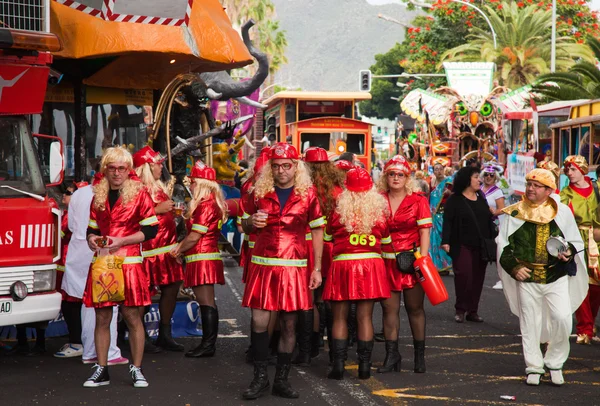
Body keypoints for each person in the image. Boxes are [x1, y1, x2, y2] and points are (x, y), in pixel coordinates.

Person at [240, 143, 324, 400]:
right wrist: (250, 222)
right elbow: (243, 225)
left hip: (294, 267)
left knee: (289, 324)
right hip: (264, 265)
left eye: (286, 166)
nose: (281, 171)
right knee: (259, 322)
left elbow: (318, 230)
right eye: (276, 166)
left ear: (295, 166)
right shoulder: (259, 192)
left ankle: (282, 380)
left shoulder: (308, 194)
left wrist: (317, 268)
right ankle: (260, 378)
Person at [497, 168, 588, 386]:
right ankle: (534, 367)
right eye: (529, 184)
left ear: (548, 190)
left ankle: (555, 362)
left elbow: (575, 241)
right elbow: (502, 245)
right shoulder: (516, 212)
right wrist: (514, 268)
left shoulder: (562, 212)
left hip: (555, 276)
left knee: (563, 319)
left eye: (536, 186)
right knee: (530, 323)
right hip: (527, 278)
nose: (530, 188)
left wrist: (568, 252)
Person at [83, 146, 158, 388]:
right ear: (105, 170)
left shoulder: (140, 194)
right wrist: (91, 239)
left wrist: (123, 240)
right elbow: (92, 229)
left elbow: (150, 230)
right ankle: (102, 369)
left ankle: (137, 369)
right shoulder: (99, 195)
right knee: (102, 317)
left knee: (132, 316)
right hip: (104, 263)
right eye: (112, 168)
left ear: (129, 171)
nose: (116, 173)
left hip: (130, 263)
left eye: (121, 168)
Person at [323, 167, 391, 380]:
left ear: (347, 188)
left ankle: (339, 364)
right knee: (364, 317)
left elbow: (327, 238)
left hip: (343, 265)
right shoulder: (379, 212)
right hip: (371, 265)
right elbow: (387, 242)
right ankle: (364, 366)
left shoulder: (339, 210)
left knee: (339, 317)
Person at [62, 181, 126, 367]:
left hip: (80, 250)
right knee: (107, 304)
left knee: (88, 302)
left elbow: (72, 225)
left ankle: (90, 350)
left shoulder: (80, 193)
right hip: (101, 251)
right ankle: (109, 352)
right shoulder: (110, 194)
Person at [379, 155, 432, 374]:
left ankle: (420, 357)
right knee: (388, 310)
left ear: (407, 177)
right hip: (385, 262)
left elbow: (424, 232)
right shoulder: (377, 199)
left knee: (415, 308)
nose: (395, 178)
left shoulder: (418, 200)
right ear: (386, 177)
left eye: (400, 174)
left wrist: (422, 261)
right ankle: (392, 357)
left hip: (411, 261)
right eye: (391, 174)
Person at [170, 163, 228, 358]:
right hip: (204, 257)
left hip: (202, 258)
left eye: (193, 182)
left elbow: (195, 236)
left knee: (206, 302)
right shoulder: (211, 203)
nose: (191, 186)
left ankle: (208, 345)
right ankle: (207, 343)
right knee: (207, 302)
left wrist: (178, 249)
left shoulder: (205, 205)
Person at [133, 146, 185, 352]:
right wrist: (158, 210)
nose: (160, 166)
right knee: (142, 293)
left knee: (172, 287)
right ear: (146, 167)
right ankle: (140, 336)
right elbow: (127, 219)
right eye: (157, 163)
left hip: (167, 249)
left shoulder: (158, 186)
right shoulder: (134, 188)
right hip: (147, 251)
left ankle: (165, 334)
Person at [298, 146, 346, 366]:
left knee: (309, 300)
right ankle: (328, 343)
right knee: (324, 298)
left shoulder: (303, 188)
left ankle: (309, 348)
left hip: (307, 246)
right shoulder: (338, 190)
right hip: (330, 248)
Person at [442, 166, 494, 323]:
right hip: (461, 244)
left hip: (481, 245)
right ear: (466, 179)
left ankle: (473, 311)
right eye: (476, 176)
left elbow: (487, 220)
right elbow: (448, 222)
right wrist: (445, 241)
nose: (480, 179)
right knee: (464, 276)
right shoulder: (454, 199)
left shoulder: (481, 197)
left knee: (477, 279)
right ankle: (460, 309)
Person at [559, 155, 600, 345]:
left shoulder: (597, 189)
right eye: (567, 170)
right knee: (579, 282)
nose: (569, 173)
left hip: (597, 239)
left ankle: (590, 322)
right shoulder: (565, 193)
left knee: (595, 285)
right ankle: (584, 328)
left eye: (573, 169)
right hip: (576, 239)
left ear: (583, 170)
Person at [54, 181, 86, 358]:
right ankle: (77, 340)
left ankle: (77, 342)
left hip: (70, 264)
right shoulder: (71, 214)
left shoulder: (70, 216)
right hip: (69, 264)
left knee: (70, 304)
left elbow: (56, 235)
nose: (64, 195)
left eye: (69, 193)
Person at [481, 164, 505, 290]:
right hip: (480, 224)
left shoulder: (497, 191)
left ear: (495, 177)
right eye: (486, 174)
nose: (488, 177)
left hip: (494, 225)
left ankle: (502, 279)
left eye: (491, 175)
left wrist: (492, 211)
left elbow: (502, 209)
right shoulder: (478, 188)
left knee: (496, 252)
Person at [429, 163, 453, 276]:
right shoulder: (432, 182)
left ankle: (446, 264)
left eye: (440, 169)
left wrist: (450, 193)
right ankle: (436, 265)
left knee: (443, 239)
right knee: (434, 241)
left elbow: (457, 195)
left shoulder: (449, 182)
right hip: (433, 215)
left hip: (444, 215)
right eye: (436, 169)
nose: (438, 171)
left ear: (444, 170)